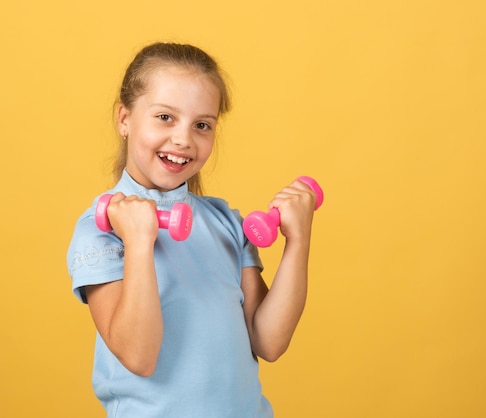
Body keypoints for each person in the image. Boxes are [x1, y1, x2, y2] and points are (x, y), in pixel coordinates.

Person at [66, 42, 318, 418]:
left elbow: (269, 341)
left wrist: (298, 241)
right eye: (165, 117)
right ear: (125, 119)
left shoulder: (225, 222)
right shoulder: (101, 231)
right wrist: (138, 242)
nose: (184, 138)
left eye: (202, 124)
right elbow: (139, 356)